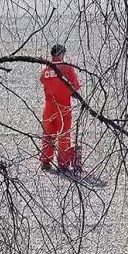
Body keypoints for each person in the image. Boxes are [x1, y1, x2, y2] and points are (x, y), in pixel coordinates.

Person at [39, 44, 80, 172]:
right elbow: (75, 87)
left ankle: (46, 161)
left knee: (48, 135)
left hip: (48, 107)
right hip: (63, 107)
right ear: (62, 53)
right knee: (63, 136)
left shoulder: (45, 69)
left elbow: (42, 81)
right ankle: (63, 163)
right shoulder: (67, 68)